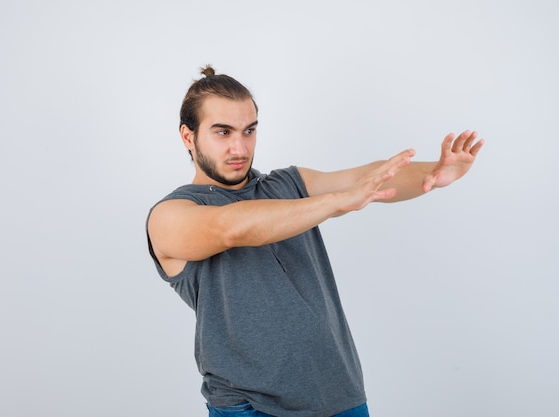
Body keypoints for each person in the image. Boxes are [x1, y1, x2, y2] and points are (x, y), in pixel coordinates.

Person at [146, 65, 484, 417]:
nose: (239, 146)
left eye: (249, 131)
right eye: (223, 132)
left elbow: (366, 179)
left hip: (340, 394)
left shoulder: (288, 184)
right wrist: (337, 202)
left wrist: (434, 172)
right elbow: (231, 228)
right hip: (251, 407)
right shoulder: (171, 214)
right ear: (188, 136)